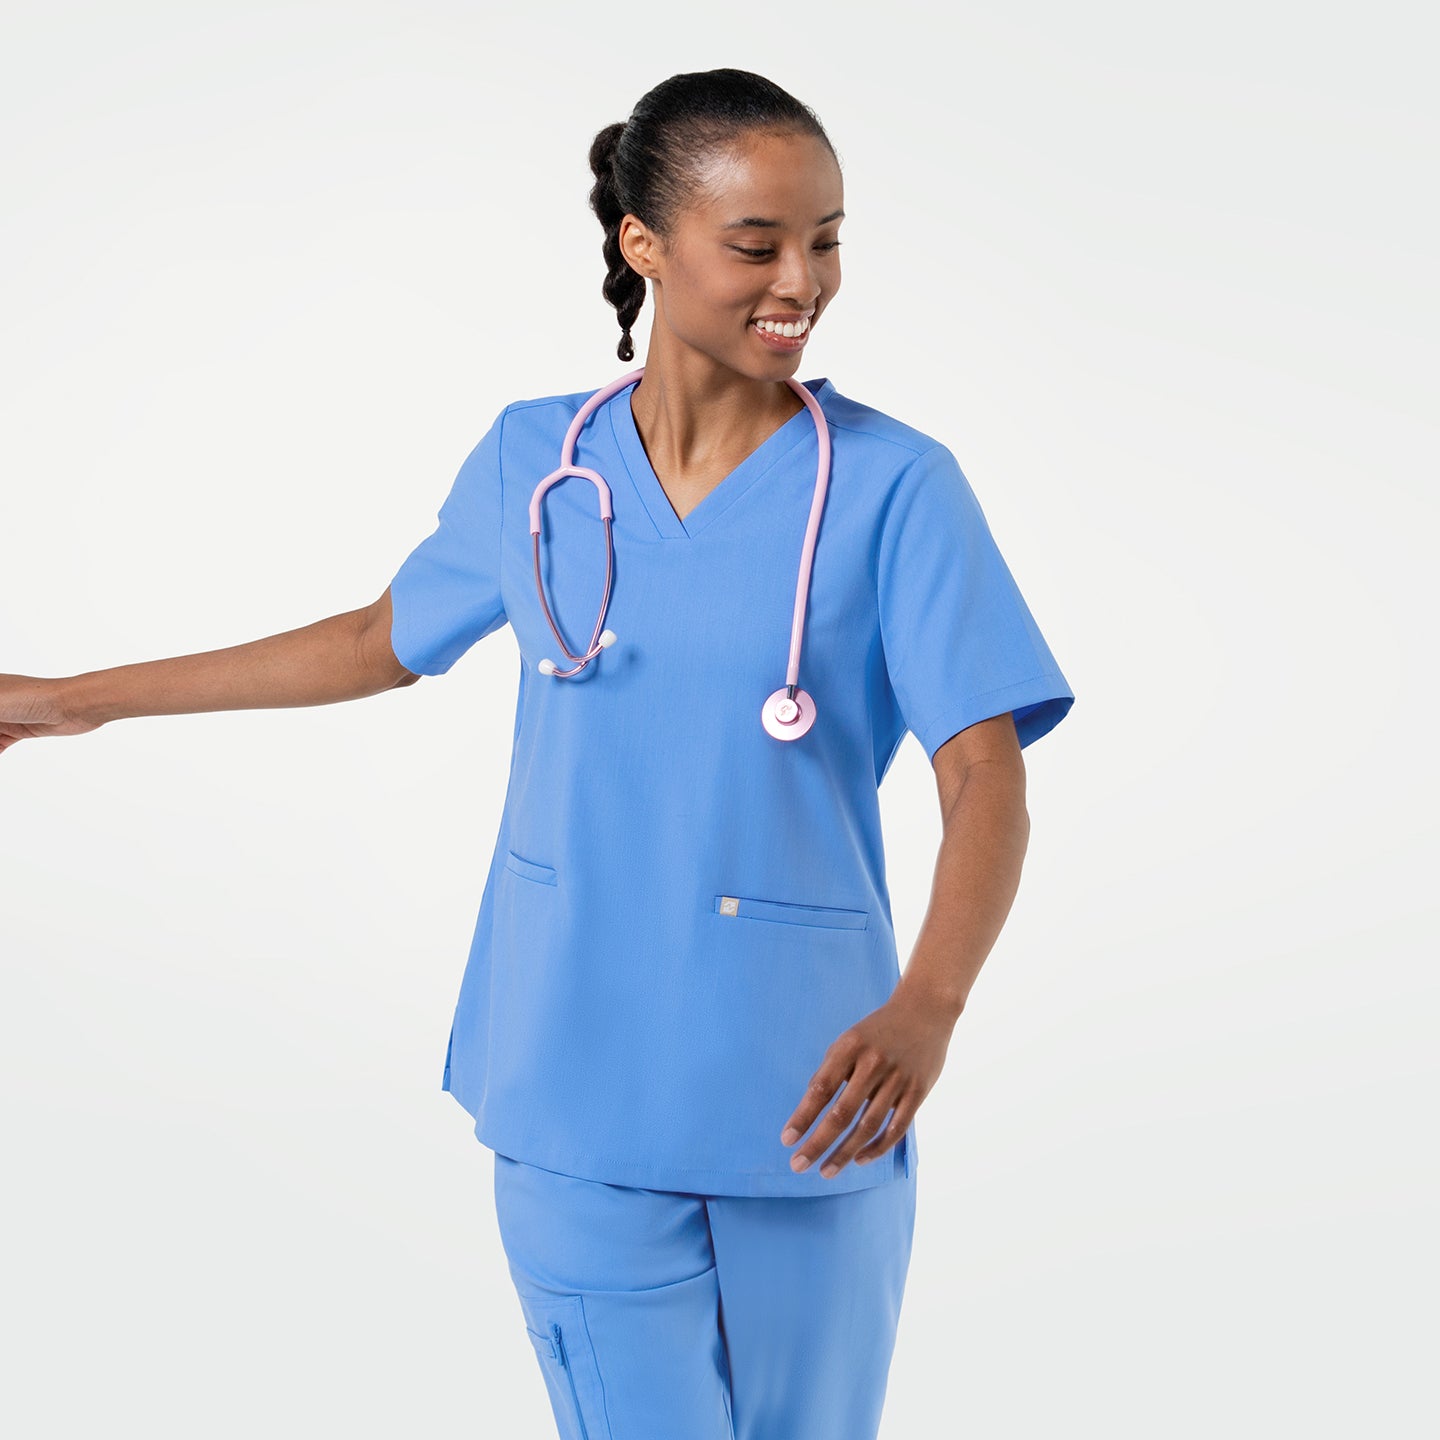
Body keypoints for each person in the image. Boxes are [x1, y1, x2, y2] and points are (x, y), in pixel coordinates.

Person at [1, 67, 1074, 1440]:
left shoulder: (894, 486)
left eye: (828, 237)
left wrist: (931, 1004)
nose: (801, 278)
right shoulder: (536, 458)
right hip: (573, 1072)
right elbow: (381, 640)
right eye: (758, 244)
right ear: (645, 242)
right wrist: (79, 698)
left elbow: (987, 769)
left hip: (813, 1094)